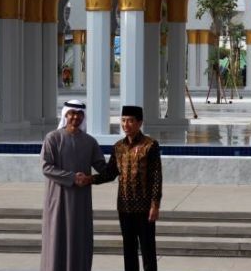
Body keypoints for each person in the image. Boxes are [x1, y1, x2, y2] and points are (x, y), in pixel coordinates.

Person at [93, 105, 162, 271]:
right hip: (124, 207)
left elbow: (156, 177)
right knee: (128, 249)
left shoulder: (150, 145)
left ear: (139, 123)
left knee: (147, 249)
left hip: (145, 207)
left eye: (130, 120)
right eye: (123, 120)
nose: (126, 124)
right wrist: (89, 179)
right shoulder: (118, 147)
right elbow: (110, 173)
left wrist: (155, 204)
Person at [40, 100, 107, 271]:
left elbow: (103, 168)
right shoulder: (53, 138)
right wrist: (72, 177)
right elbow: (46, 167)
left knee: (79, 238)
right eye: (72, 113)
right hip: (58, 199)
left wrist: (124, 161)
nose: (75, 117)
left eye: (79, 114)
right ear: (65, 115)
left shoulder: (89, 142)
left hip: (80, 201)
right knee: (57, 237)